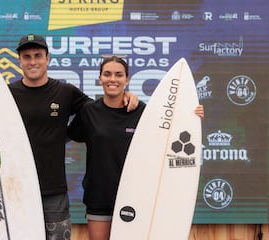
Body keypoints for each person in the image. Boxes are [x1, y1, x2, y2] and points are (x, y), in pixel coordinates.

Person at [0, 34, 139, 240]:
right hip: (14, 188)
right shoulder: (5, 95)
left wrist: (128, 96)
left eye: (38, 55)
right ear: (19, 60)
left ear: (47, 58)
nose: (33, 61)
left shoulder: (66, 92)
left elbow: (101, 109)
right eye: (27, 56)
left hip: (54, 191)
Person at [67, 56, 204, 240]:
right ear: (100, 79)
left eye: (118, 74)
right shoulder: (89, 111)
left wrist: (191, 115)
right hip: (100, 195)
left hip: (136, 195)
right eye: (107, 74)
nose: (112, 79)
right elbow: (66, 135)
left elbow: (169, 131)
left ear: (127, 79)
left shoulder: (142, 112)